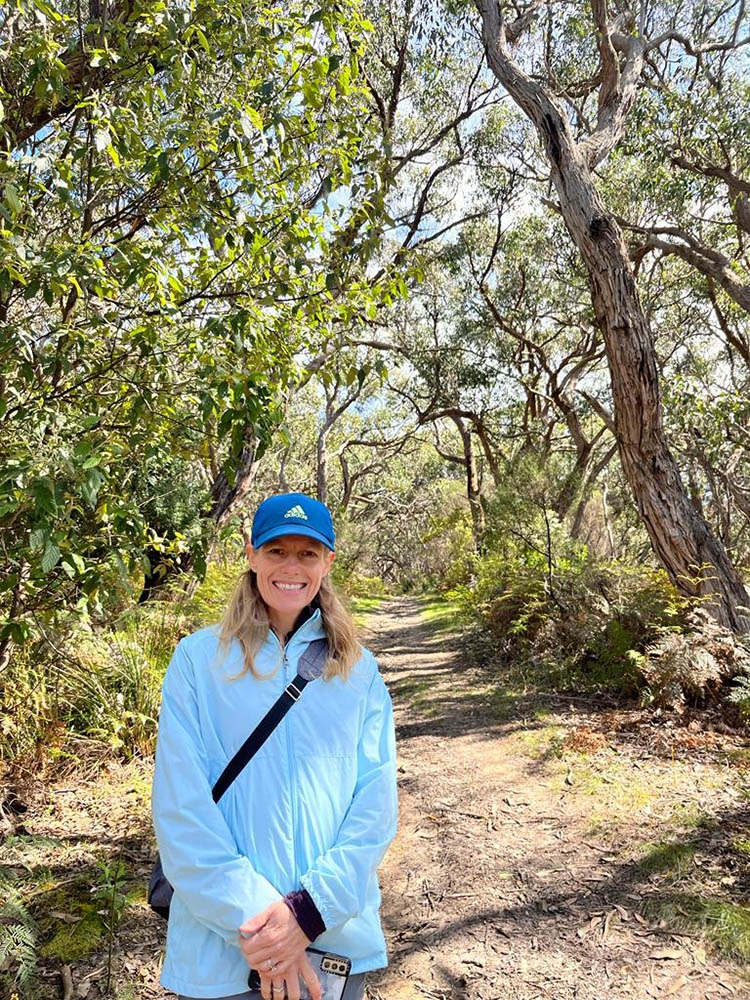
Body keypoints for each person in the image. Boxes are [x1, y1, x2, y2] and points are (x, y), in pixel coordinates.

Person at [152, 492, 398, 1000]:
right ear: (251, 555)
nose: (291, 566)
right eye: (276, 550)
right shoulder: (198, 662)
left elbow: (374, 806)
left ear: (328, 562)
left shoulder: (359, 671)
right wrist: (263, 928)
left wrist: (308, 913)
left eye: (307, 553)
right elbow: (181, 809)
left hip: (330, 941)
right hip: (223, 952)